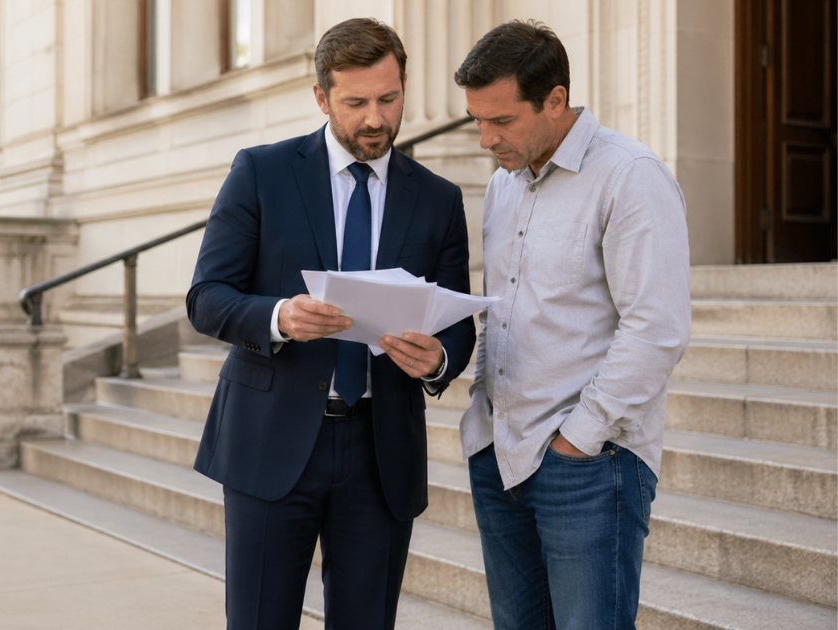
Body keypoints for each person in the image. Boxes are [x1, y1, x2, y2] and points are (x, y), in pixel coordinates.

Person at [186, 17, 477, 630]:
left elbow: (457, 324)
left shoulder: (438, 199)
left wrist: (440, 360)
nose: (376, 118)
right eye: (356, 103)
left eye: (389, 99)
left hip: (382, 453)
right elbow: (206, 298)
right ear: (321, 98)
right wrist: (278, 316)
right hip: (270, 442)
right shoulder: (261, 172)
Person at [455, 20, 692, 630]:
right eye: (476, 120)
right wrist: (481, 424)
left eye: (501, 120)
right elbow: (502, 308)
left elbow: (656, 329)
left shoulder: (630, 176)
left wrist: (577, 440)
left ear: (555, 100)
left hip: (589, 466)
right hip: (499, 454)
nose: (485, 139)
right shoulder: (503, 185)